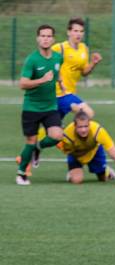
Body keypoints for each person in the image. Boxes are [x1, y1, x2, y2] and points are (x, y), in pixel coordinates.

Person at [15, 24, 64, 186]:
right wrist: (42, 80)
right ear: (38, 38)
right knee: (30, 140)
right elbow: (22, 84)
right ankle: (21, 173)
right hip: (32, 107)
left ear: (53, 39)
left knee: (57, 135)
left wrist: (61, 82)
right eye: (43, 36)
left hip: (50, 107)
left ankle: (39, 147)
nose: (46, 39)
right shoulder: (32, 59)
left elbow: (57, 72)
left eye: (49, 36)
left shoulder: (58, 57)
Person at [58, 111, 115, 188]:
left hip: (94, 152)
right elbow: (57, 142)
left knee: (103, 178)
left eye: (86, 126)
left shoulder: (98, 131)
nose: (83, 130)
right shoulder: (67, 134)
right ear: (74, 126)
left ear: (89, 124)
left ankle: (106, 170)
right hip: (76, 156)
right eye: (80, 127)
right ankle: (72, 174)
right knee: (76, 180)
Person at [52, 17, 102, 119]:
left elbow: (84, 72)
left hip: (70, 92)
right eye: (75, 31)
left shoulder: (84, 48)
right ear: (68, 32)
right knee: (87, 114)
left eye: (81, 31)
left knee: (53, 129)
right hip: (59, 93)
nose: (78, 34)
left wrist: (93, 63)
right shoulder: (59, 48)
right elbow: (47, 65)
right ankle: (76, 132)